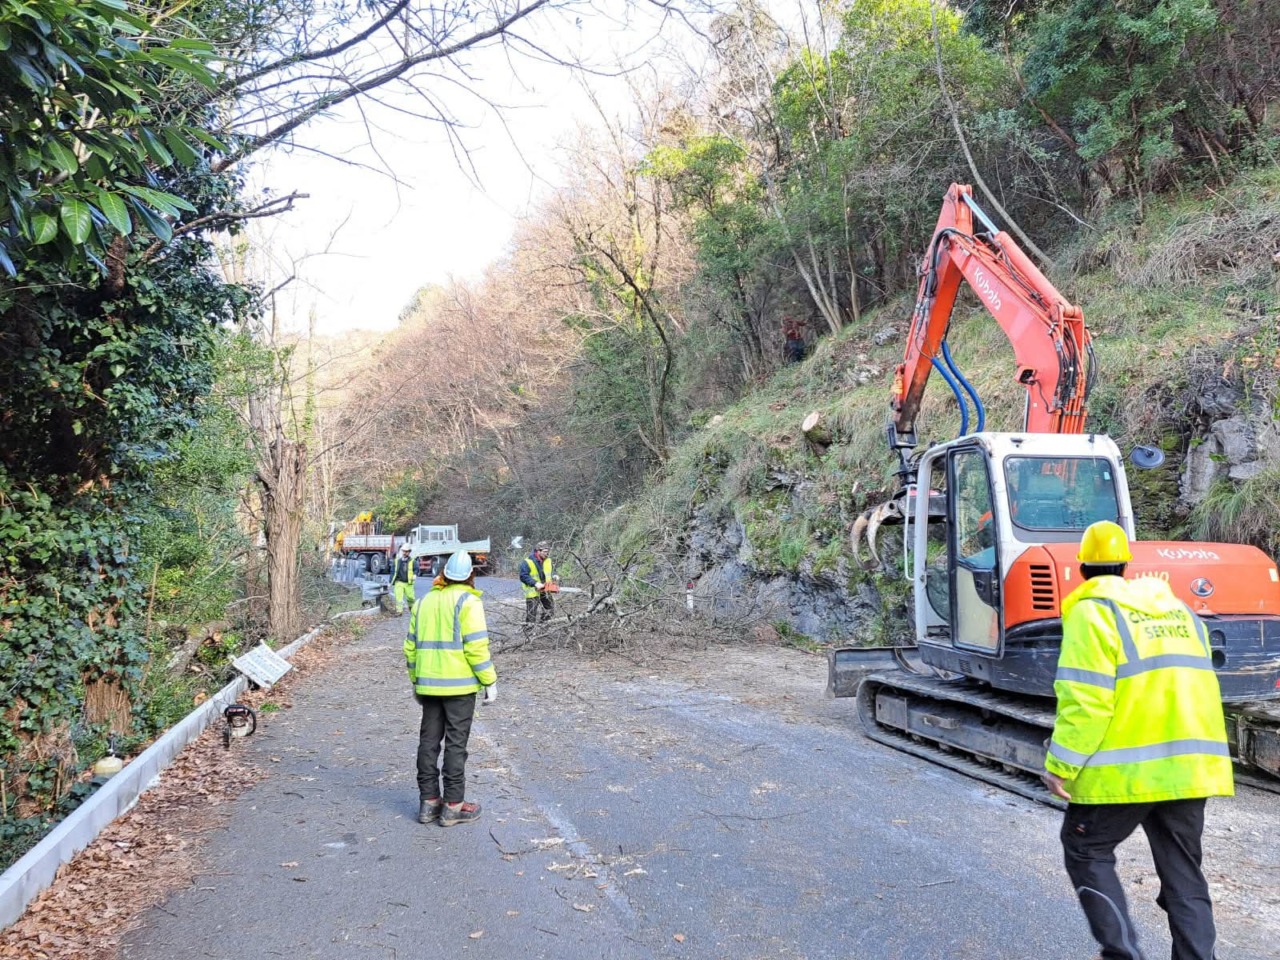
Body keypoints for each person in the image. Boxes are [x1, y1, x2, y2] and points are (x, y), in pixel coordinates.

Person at [1042, 520, 1233, 960]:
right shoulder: (1181, 612)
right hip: (1188, 769)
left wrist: (1061, 765)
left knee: (1085, 848)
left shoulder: (1092, 613)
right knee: (1183, 871)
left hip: (1123, 773)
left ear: (1082, 567)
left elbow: (1086, 702)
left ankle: (1122, 954)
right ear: (1126, 565)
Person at [404, 549, 497, 827]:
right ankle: (453, 805)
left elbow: (410, 647)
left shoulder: (423, 602)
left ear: (442, 573)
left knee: (428, 743)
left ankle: (429, 802)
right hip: (459, 689)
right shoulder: (469, 602)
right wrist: (489, 681)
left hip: (428, 686)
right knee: (456, 745)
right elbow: (476, 648)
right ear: (470, 575)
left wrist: (416, 679)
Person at [519, 540, 557, 632]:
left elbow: (551, 571)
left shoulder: (548, 560)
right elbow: (523, 576)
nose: (546, 554)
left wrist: (554, 575)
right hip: (533, 591)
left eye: (547, 551)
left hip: (545, 589)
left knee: (550, 608)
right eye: (544, 552)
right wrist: (535, 583)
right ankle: (528, 632)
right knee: (532, 614)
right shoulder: (527, 562)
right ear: (538, 551)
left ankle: (543, 627)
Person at [389, 543, 415, 615]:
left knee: (411, 598)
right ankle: (399, 611)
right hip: (399, 582)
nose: (404, 553)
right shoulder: (397, 561)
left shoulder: (412, 561)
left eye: (406, 551)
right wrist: (390, 582)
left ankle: (411, 607)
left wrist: (415, 575)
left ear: (409, 552)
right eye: (403, 551)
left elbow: (416, 569)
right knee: (399, 598)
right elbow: (392, 571)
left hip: (408, 583)